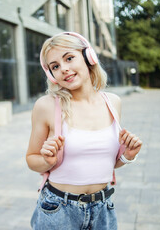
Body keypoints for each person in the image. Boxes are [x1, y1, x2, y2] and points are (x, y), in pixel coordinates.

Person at [26, 32, 142, 230]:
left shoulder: (113, 103)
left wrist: (127, 155)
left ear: (89, 57)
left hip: (103, 209)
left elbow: (106, 163)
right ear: (51, 75)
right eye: (55, 66)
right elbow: (31, 158)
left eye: (69, 58)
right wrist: (47, 161)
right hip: (58, 210)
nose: (64, 69)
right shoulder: (46, 106)